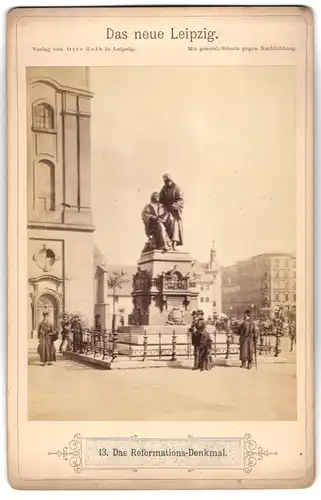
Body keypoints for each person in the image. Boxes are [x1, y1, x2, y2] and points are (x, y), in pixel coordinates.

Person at [159, 173, 184, 251]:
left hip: (175, 211)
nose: (167, 183)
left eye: (168, 181)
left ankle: (174, 245)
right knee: (163, 223)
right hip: (166, 210)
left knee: (175, 225)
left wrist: (176, 205)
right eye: (166, 181)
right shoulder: (164, 189)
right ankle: (165, 243)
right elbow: (160, 200)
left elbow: (181, 200)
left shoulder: (177, 188)